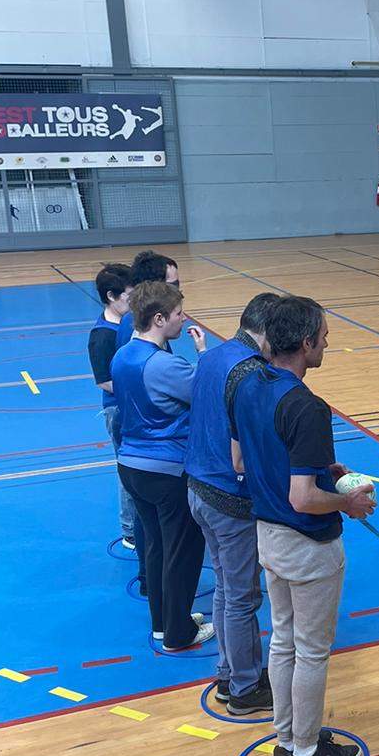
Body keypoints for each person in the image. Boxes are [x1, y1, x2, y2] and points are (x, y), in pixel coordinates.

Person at [229, 295, 375, 756]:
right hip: (308, 546)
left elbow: (243, 463)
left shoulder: (246, 385)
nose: (328, 341)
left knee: (284, 642)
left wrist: (315, 468)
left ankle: (287, 739)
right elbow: (303, 499)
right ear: (306, 342)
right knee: (311, 650)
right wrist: (347, 502)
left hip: (266, 539)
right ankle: (307, 755)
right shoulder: (308, 408)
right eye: (324, 335)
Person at [185, 292, 279, 716]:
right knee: (243, 598)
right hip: (229, 499)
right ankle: (244, 689)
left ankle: (229, 672)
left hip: (198, 490)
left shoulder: (214, 355)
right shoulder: (251, 372)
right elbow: (246, 452)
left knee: (225, 590)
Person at [112, 279, 213, 653]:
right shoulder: (165, 365)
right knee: (183, 550)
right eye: (176, 314)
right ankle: (178, 634)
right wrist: (203, 353)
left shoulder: (122, 355)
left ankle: (165, 622)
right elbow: (207, 394)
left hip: (131, 466)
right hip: (166, 469)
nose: (182, 319)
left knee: (154, 546)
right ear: (158, 318)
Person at [87, 263, 141, 553]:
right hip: (118, 410)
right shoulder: (102, 334)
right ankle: (130, 530)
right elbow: (104, 381)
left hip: (133, 406)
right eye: (129, 297)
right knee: (128, 468)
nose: (132, 303)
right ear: (111, 296)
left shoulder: (128, 324)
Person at [114, 250, 179, 352]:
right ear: (152, 287)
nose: (178, 292)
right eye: (172, 286)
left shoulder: (145, 319)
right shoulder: (140, 331)